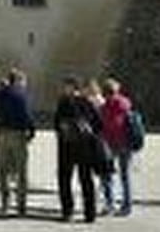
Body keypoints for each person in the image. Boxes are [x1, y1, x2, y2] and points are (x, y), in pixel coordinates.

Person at [54, 77, 102, 223]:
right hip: (85, 147)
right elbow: (99, 124)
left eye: (65, 86)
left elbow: (56, 125)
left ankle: (67, 212)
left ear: (71, 87)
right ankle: (90, 213)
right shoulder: (87, 102)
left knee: (65, 179)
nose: (63, 89)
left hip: (67, 147)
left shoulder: (63, 103)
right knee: (86, 180)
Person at [0, 68, 36, 216]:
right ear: (18, 80)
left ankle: (5, 202)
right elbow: (27, 114)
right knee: (21, 170)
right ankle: (21, 205)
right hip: (19, 134)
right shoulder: (23, 95)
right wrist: (31, 132)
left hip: (3, 133)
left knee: (4, 170)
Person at [99, 78, 135, 217]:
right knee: (125, 176)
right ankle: (127, 205)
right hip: (126, 144)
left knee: (106, 174)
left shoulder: (106, 107)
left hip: (111, 144)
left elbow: (105, 126)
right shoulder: (126, 103)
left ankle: (109, 204)